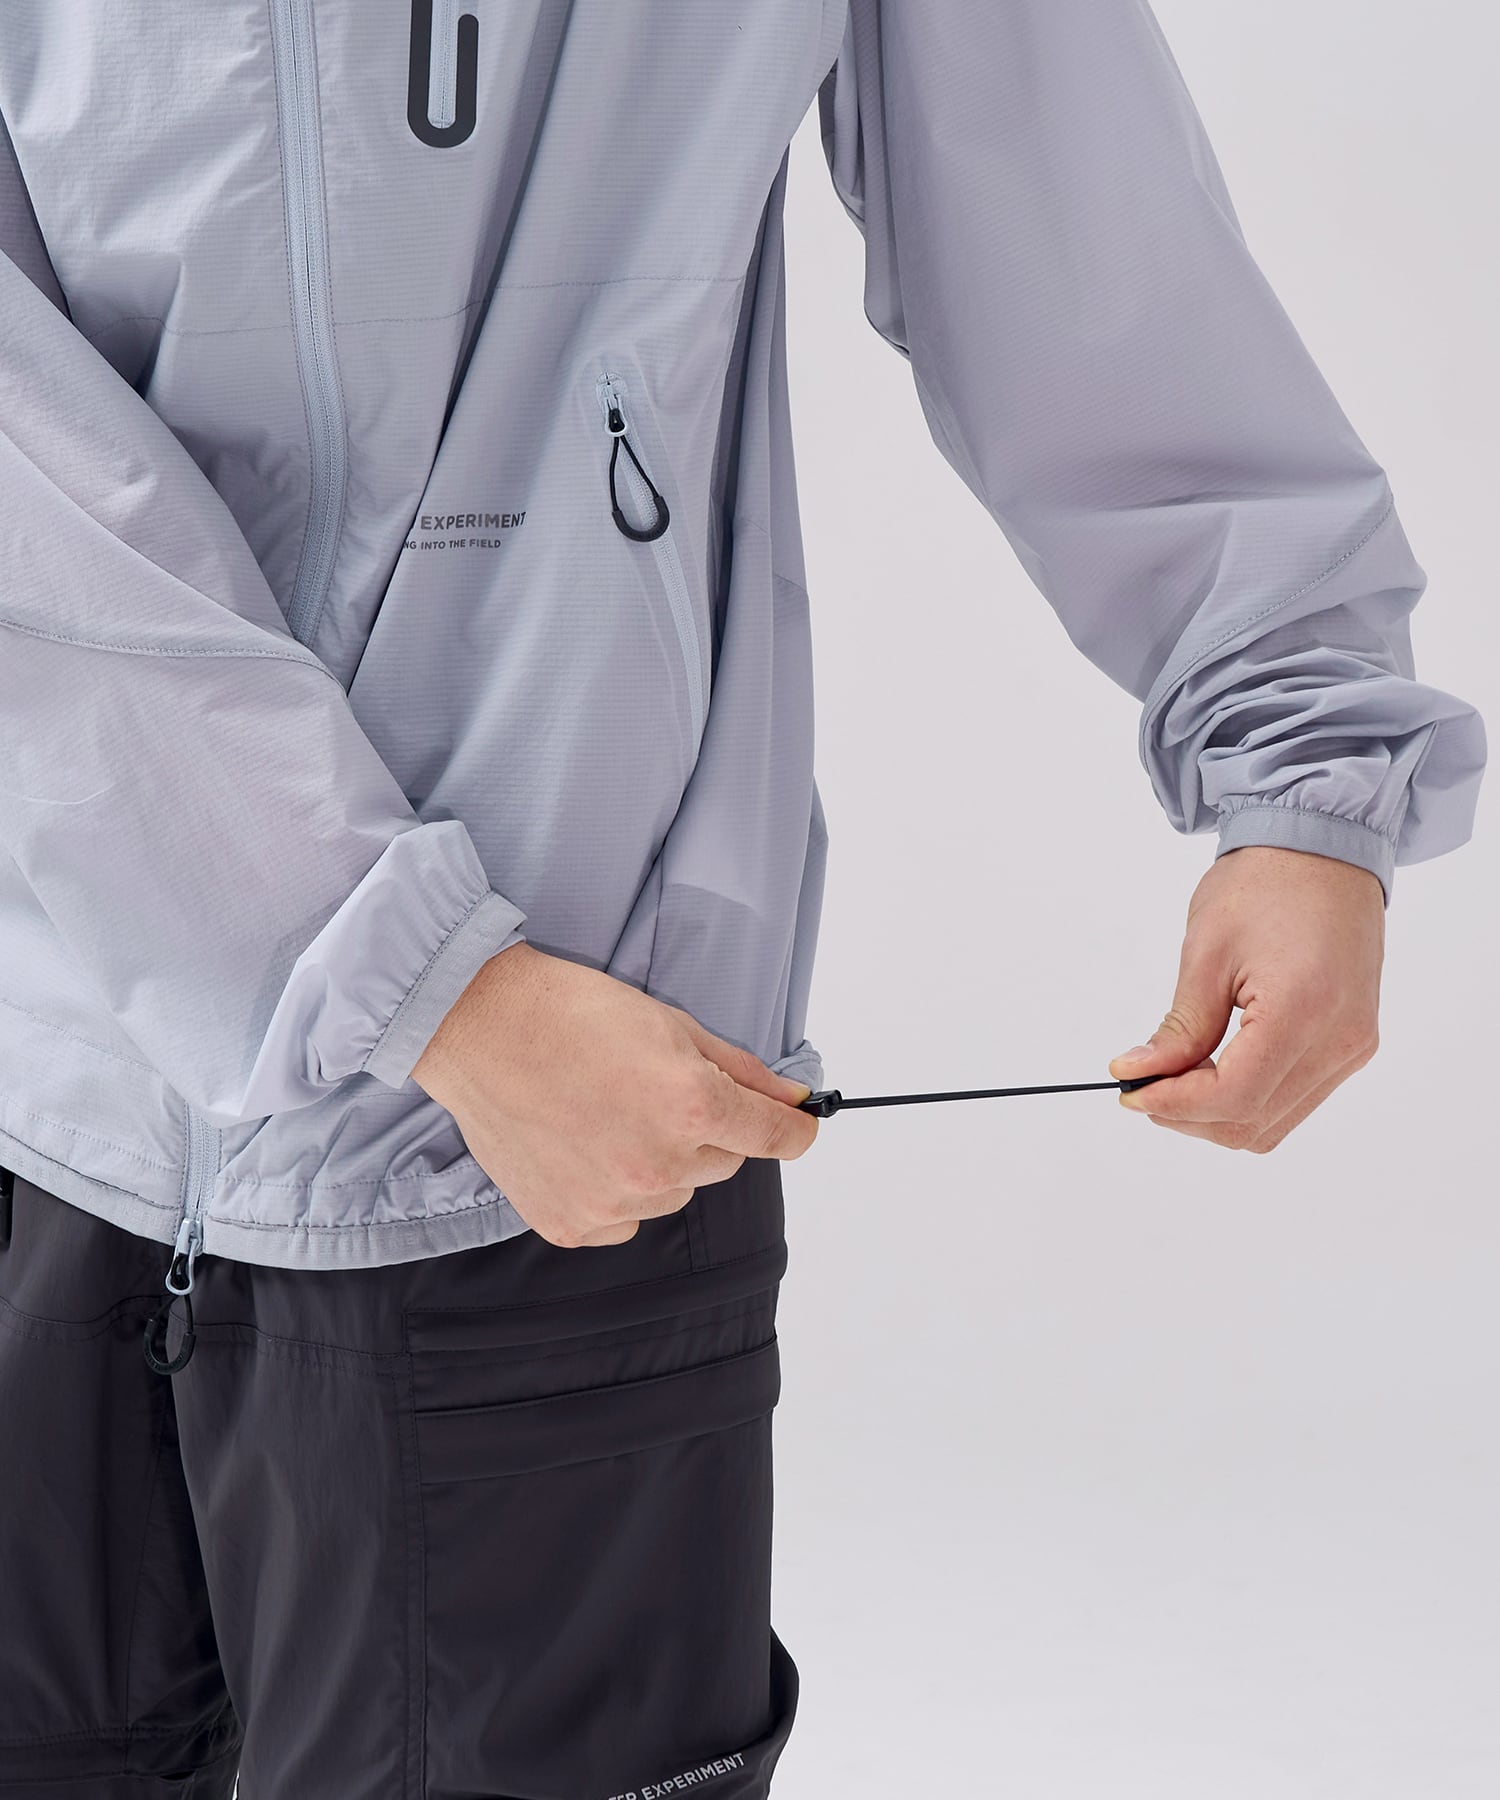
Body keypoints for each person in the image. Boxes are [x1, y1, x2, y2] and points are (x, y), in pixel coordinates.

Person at [0, 3, 1484, 1795]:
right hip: (59, 1084)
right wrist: (406, 974)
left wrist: (1299, 758)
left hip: (559, 1134)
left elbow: (1073, 207)